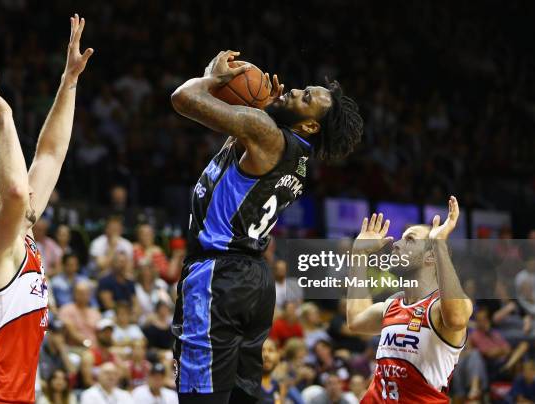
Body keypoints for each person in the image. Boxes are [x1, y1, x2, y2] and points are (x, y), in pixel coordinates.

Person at [170, 50, 363, 404]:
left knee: (200, 397)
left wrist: (214, 77)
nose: (294, 91)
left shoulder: (264, 133)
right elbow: (236, 120)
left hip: (218, 275)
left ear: (310, 126)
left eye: (305, 98)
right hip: (254, 282)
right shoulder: (296, 157)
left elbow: (183, 98)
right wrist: (262, 106)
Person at [0, 16, 92, 403]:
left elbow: (51, 152)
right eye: (22, 187)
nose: (34, 189)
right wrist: (4, 115)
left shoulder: (22, 235)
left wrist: (69, 81)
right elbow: (16, 190)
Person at [346, 196, 473, 402]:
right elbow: (356, 320)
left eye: (410, 239)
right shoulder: (393, 304)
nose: (396, 244)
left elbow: (457, 319)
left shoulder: (439, 306)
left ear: (430, 256)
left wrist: (439, 244)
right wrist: (359, 254)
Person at [58, 280, 101, 347]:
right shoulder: (66, 310)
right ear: (75, 294)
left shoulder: (95, 313)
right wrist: (89, 344)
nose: (84, 296)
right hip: (75, 348)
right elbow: (72, 333)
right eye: (81, 293)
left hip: (95, 348)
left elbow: (100, 333)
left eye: (86, 293)